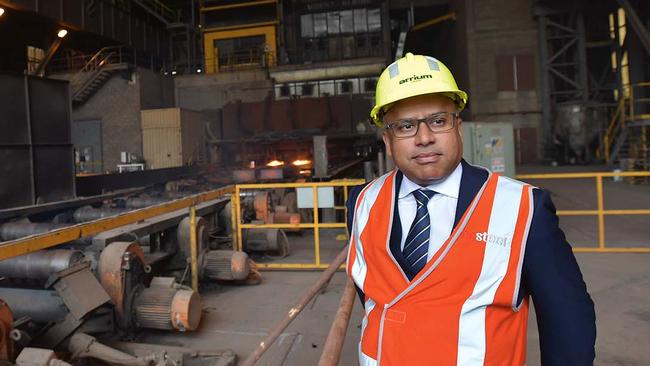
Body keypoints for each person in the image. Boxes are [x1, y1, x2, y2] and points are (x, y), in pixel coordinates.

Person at [345, 53, 596, 365]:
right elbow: (372, 294)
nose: (424, 138)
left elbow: (567, 321)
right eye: (406, 126)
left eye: (438, 121)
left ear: (458, 127)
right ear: (388, 139)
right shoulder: (362, 202)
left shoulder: (523, 209)